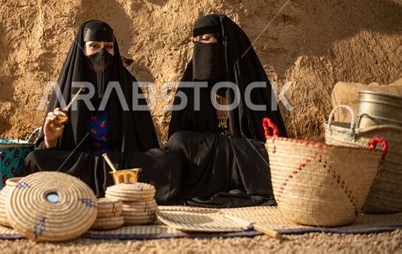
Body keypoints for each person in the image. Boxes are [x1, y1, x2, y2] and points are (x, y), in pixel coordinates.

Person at [25, 20, 182, 203]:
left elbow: (147, 144)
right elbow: (47, 150)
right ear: (82, 50)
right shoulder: (68, 87)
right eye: (94, 46)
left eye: (108, 47)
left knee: (169, 161)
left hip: (121, 166)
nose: (103, 53)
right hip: (83, 165)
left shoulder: (128, 85)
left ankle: (82, 191)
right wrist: (50, 139)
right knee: (35, 159)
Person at [166, 14, 287, 207]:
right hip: (207, 163)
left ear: (224, 42)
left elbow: (269, 139)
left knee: (267, 156)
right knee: (178, 143)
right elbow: (179, 138)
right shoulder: (191, 82)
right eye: (196, 42)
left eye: (206, 39)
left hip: (244, 161)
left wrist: (230, 147)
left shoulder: (248, 77)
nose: (201, 47)